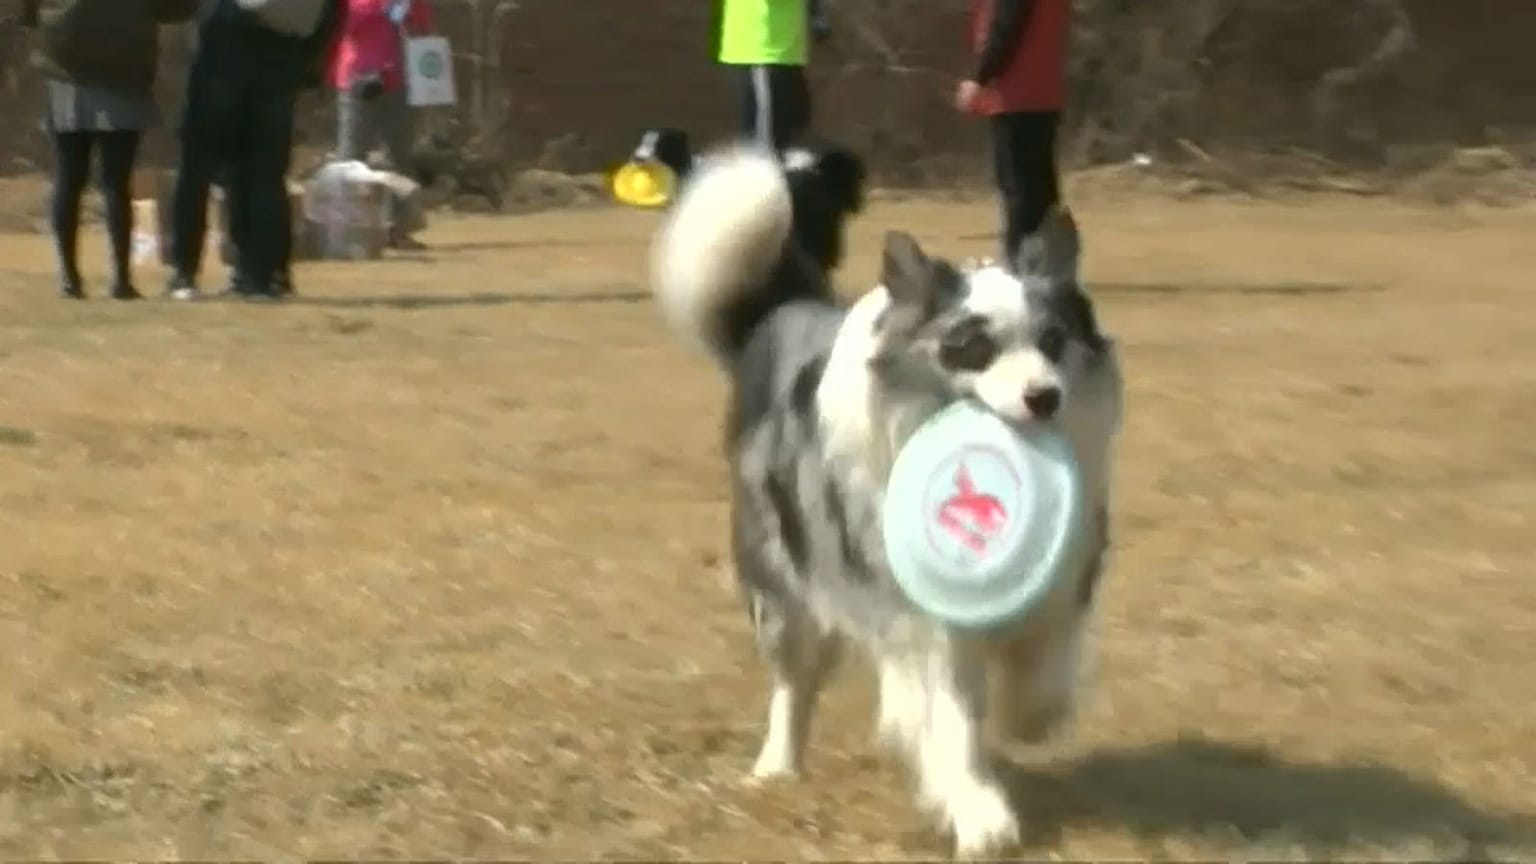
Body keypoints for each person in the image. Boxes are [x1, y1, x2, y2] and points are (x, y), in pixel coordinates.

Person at [21, 0, 201, 300]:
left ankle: (69, 278)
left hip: (67, 77)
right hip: (123, 78)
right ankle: (121, 279)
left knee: (69, 180)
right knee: (116, 184)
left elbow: (27, 14)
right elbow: (177, 9)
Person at [167, 0, 341, 301]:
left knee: (196, 168)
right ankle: (261, 275)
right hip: (281, 60)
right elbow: (332, 14)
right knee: (266, 175)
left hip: (223, 56)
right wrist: (305, 63)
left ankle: (184, 273)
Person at [955, 0, 1070, 264]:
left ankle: (1018, 263)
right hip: (1045, 90)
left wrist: (978, 77)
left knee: (1018, 189)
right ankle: (1049, 262)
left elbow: (1006, 26)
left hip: (1014, 93)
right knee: (1041, 190)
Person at [329, 0, 434, 250]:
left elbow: (423, 24)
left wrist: (413, 7)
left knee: (400, 156)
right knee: (351, 157)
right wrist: (380, 5)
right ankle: (345, 229)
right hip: (357, 79)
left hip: (397, 80)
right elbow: (342, 22)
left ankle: (398, 229)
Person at [714, 0, 830, 154]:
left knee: (791, 137)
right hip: (756, 50)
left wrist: (817, 15)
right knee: (763, 145)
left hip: (786, 54)